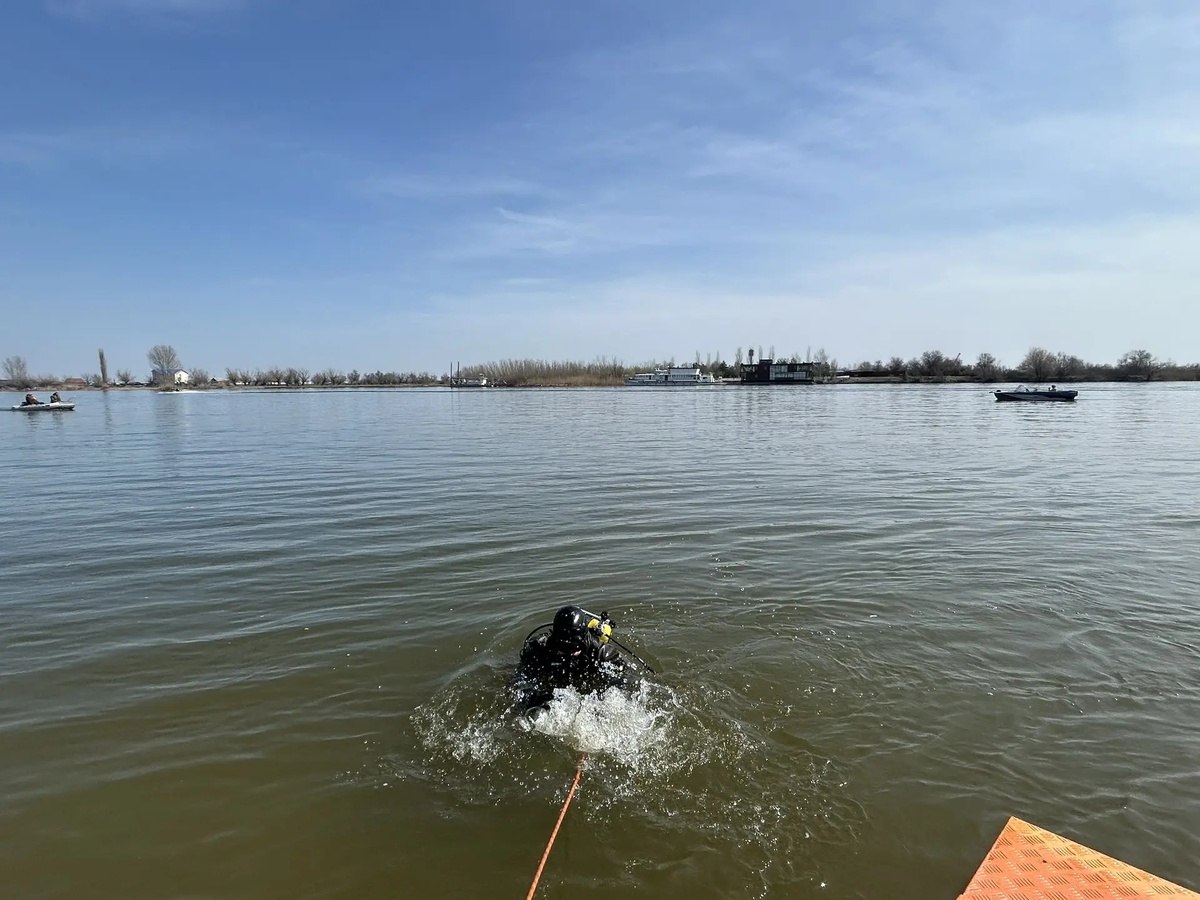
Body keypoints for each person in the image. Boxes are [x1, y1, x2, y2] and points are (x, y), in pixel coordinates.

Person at [513, 605, 638, 712]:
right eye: (565, 645)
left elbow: (628, 675)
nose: (571, 651)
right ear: (555, 638)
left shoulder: (601, 652)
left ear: (585, 637)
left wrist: (606, 698)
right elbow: (519, 682)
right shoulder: (540, 650)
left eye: (576, 644)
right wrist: (534, 697)